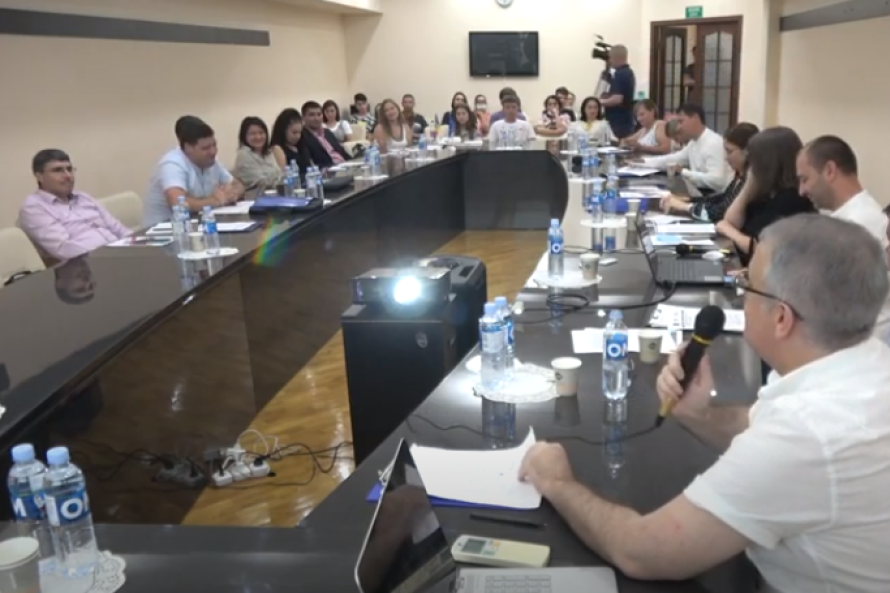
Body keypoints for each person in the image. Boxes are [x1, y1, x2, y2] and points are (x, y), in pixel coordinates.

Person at [520, 214, 890, 591]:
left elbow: (644, 551)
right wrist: (698, 414)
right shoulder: (865, 363)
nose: (742, 295)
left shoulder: (807, 433)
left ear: (782, 318)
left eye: (747, 285)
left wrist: (557, 481)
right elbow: (758, 424)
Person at [797, 135, 890, 342]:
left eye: (805, 179)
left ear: (830, 171)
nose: (801, 191)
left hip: (856, 344)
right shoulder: (847, 218)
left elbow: (827, 301)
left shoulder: (857, 225)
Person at [718, 126, 815, 266]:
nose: (750, 166)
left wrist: (729, 231)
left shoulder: (793, 197)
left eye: (754, 161)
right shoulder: (764, 190)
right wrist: (748, 186)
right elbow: (731, 221)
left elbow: (763, 250)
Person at [18, 149, 131, 260]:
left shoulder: (83, 197)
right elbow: (64, 249)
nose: (68, 176)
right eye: (58, 170)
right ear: (39, 176)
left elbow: (117, 228)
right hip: (89, 264)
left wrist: (136, 245)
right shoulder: (34, 208)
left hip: (120, 254)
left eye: (69, 169)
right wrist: (112, 254)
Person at [143, 116, 242, 227]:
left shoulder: (210, 161)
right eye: (206, 148)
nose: (213, 151)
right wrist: (216, 201)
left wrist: (233, 193)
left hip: (195, 225)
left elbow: (237, 184)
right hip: (164, 230)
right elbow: (178, 204)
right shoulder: (172, 164)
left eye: (214, 145)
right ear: (188, 148)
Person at [661, 122, 759, 221]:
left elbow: (720, 213)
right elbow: (723, 198)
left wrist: (685, 206)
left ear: (746, 152)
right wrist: (688, 200)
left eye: (729, 152)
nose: (726, 158)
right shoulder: (740, 175)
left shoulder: (751, 180)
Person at [642, 103, 730, 193]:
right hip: (700, 192)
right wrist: (643, 162)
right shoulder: (693, 142)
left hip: (716, 197)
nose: (679, 126)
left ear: (695, 118)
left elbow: (718, 181)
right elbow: (674, 159)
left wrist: (683, 172)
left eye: (681, 121)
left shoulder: (713, 142)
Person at [232, 116, 282, 191]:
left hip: (274, 193)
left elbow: (280, 175)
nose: (258, 137)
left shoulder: (268, 153)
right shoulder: (243, 155)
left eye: (261, 133)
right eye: (252, 134)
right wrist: (278, 181)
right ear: (244, 136)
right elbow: (261, 183)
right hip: (253, 196)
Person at [599, 44, 636, 139]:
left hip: (618, 122)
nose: (610, 61)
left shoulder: (620, 74)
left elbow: (617, 99)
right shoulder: (628, 72)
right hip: (625, 120)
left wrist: (598, 102)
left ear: (615, 58)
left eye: (610, 58)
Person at [298, 101, 350, 168]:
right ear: (303, 117)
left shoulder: (327, 132)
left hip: (345, 165)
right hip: (329, 169)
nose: (316, 118)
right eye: (312, 115)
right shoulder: (301, 137)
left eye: (319, 114)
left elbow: (342, 152)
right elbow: (309, 163)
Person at [270, 108, 310, 179]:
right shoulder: (277, 148)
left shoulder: (300, 146)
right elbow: (283, 175)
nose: (298, 136)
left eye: (300, 132)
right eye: (294, 132)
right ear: (283, 131)